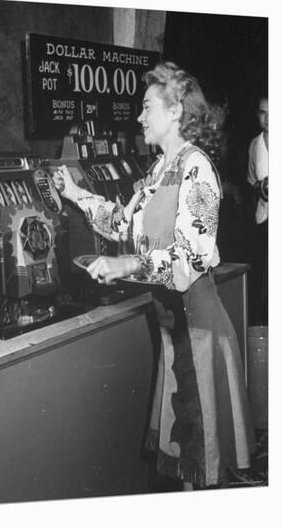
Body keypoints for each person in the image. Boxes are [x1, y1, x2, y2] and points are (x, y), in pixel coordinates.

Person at [53, 62, 254, 490]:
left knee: (201, 465)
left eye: (147, 107)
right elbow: (123, 225)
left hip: (198, 332)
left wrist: (128, 265)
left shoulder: (196, 168)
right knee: (187, 463)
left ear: (176, 110)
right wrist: (74, 193)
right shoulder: (159, 170)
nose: (140, 117)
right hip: (173, 332)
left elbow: (190, 258)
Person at [246, 95, 268, 326]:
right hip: (264, 219)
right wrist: (261, 186)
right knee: (264, 284)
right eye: (263, 112)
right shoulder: (255, 144)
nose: (268, 118)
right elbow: (251, 180)